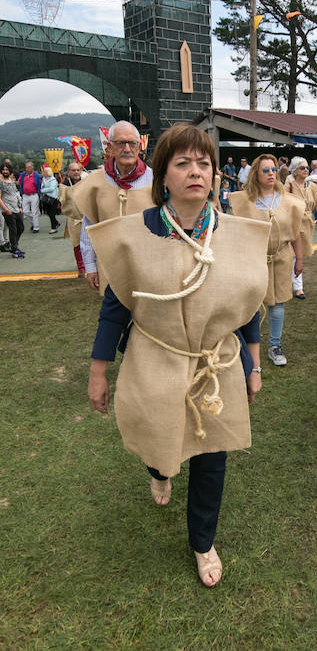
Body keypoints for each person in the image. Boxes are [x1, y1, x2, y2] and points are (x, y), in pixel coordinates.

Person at [87, 124, 270, 587]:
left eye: (204, 163)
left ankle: (202, 541)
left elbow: (245, 303)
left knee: (212, 454)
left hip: (217, 363)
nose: (196, 171)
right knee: (160, 443)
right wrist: (98, 372)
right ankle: (159, 471)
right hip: (156, 357)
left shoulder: (236, 234)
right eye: (183, 163)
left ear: (214, 174)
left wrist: (253, 364)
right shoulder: (135, 235)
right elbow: (116, 308)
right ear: (163, 175)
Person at [230, 154, 304, 366]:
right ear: (256, 173)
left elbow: (295, 231)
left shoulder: (288, 201)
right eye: (265, 170)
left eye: (273, 169)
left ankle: (274, 345)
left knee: (277, 303)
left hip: (281, 257)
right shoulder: (246, 201)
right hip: (253, 258)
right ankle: (246, 343)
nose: (271, 173)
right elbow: (238, 232)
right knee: (251, 303)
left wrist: (299, 258)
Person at [72, 121, 153, 292]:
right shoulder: (95, 183)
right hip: (111, 268)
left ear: (139, 147)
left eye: (132, 143)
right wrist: (90, 266)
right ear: (109, 147)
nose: (127, 149)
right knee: (113, 317)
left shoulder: (156, 180)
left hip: (149, 268)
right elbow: (89, 226)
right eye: (120, 143)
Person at [287, 156, 317, 299]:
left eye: (307, 167)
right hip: (292, 223)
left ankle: (296, 285)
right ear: (295, 171)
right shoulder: (288, 186)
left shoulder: (312, 187)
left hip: (307, 224)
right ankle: (298, 287)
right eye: (302, 168)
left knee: (297, 255)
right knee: (294, 255)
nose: (306, 170)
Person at [59, 161, 86, 275]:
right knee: (77, 244)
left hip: (88, 218)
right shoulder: (64, 185)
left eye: (78, 170)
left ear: (81, 171)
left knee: (92, 243)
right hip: (73, 219)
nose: (76, 172)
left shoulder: (87, 183)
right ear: (68, 172)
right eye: (73, 170)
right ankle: (81, 268)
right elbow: (63, 202)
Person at [0, 164, 25, 258]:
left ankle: (14, 246)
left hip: (16, 209)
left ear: (10, 170)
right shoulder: (0, 182)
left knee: (21, 228)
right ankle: (14, 250)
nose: (5, 171)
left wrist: (20, 206)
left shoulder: (12, 181)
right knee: (13, 230)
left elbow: (16, 194)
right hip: (8, 210)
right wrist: (6, 209)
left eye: (7, 169)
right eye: (3, 170)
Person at [19, 160, 41, 233]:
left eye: (28, 167)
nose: (27, 169)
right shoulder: (23, 175)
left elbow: (39, 185)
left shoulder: (37, 175)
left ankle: (36, 227)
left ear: (32, 168)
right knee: (25, 212)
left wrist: (38, 193)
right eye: (26, 167)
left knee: (34, 211)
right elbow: (20, 183)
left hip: (34, 195)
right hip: (25, 195)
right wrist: (22, 192)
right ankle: (34, 223)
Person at [40, 166, 61, 233]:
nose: (43, 173)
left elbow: (52, 189)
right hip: (46, 198)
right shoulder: (44, 179)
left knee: (52, 213)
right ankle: (56, 223)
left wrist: (42, 190)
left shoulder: (53, 180)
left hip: (53, 198)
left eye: (44, 172)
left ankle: (53, 227)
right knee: (48, 212)